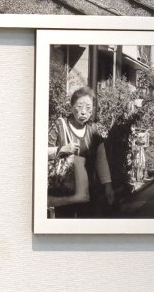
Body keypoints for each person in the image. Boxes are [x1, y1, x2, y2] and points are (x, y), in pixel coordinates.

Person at [47, 86, 113, 216]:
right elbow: (40, 152)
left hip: (89, 192)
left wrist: (108, 186)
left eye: (88, 108)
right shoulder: (59, 126)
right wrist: (61, 150)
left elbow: (101, 161)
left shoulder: (94, 130)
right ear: (72, 107)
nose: (83, 112)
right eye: (79, 106)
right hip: (64, 192)